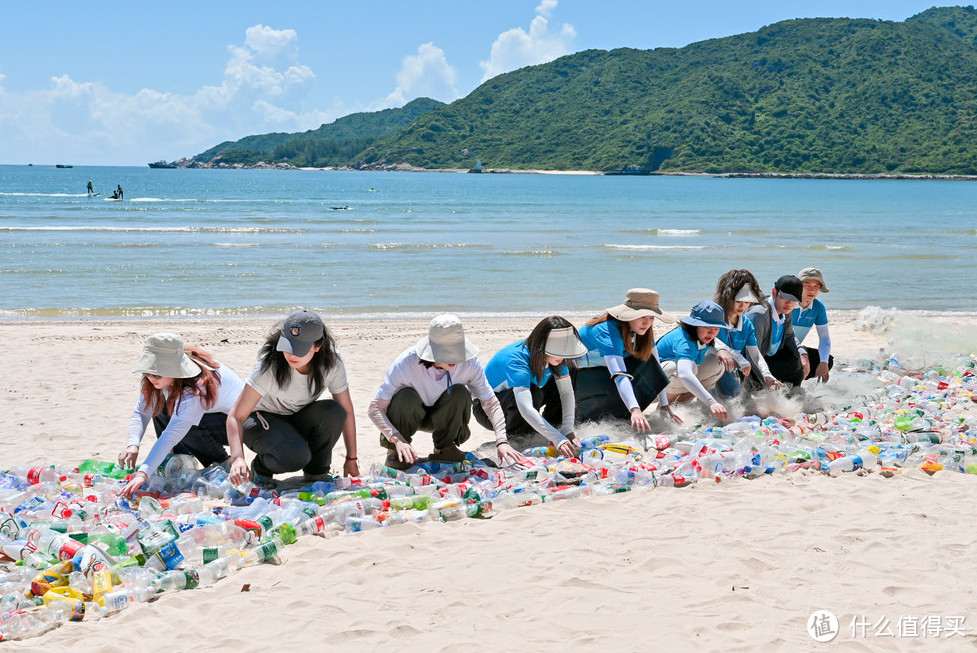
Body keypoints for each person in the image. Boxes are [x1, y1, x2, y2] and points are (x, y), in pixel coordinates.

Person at [368, 314, 523, 470]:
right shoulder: (406, 363)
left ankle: (445, 448)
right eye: (447, 353)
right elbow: (375, 409)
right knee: (406, 396)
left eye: (456, 352)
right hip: (409, 415)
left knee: (460, 392)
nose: (454, 359)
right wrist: (397, 440)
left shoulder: (470, 363)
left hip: (443, 415)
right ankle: (394, 452)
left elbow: (490, 403)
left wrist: (502, 441)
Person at [226, 310, 358, 487]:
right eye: (288, 345)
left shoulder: (331, 362)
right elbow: (235, 416)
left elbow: (347, 410)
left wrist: (351, 457)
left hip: (295, 416)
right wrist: (237, 459)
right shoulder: (270, 364)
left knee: (334, 411)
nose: (291, 354)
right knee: (296, 456)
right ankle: (261, 467)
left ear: (317, 346)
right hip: (260, 420)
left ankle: (316, 472)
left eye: (300, 349)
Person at [119, 334, 244, 497]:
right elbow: (142, 410)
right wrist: (133, 444)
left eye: (157, 374)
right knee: (161, 407)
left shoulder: (197, 386)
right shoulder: (160, 380)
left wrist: (143, 474)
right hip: (211, 415)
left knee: (184, 420)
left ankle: (221, 464)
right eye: (147, 372)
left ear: (175, 370)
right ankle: (182, 462)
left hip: (240, 425)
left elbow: (171, 434)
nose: (151, 378)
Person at [474, 316, 588, 458]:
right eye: (559, 352)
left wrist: (567, 430)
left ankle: (552, 432)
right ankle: (518, 438)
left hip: (519, 400)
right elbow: (525, 408)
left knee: (568, 374)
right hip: (487, 410)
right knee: (533, 391)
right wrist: (559, 439)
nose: (563, 358)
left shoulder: (557, 360)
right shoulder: (517, 360)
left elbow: (566, 393)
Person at [575, 288, 680, 432]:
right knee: (627, 381)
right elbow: (619, 375)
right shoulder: (607, 330)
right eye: (642, 317)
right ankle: (589, 413)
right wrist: (635, 410)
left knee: (648, 363)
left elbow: (656, 368)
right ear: (628, 315)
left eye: (651, 318)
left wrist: (664, 405)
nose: (647, 323)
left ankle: (623, 414)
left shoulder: (641, 330)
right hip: (581, 378)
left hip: (605, 372)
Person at [657, 301, 734, 420]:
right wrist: (711, 402)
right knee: (685, 369)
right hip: (651, 388)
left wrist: (723, 350)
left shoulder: (702, 336)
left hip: (667, 382)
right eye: (707, 327)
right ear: (694, 325)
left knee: (716, 364)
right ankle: (662, 412)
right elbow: (685, 374)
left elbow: (718, 344)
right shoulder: (685, 341)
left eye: (716, 328)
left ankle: (679, 408)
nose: (712, 332)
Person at [713, 269, 781, 397]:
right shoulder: (715, 316)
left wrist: (767, 374)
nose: (743, 307)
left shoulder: (746, 324)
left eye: (747, 302)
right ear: (728, 298)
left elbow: (755, 354)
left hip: (730, 371)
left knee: (741, 400)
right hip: (708, 366)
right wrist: (739, 358)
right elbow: (711, 341)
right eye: (738, 302)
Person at [744, 275, 809, 389]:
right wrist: (766, 379)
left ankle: (791, 394)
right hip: (747, 363)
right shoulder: (759, 314)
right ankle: (759, 389)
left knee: (809, 360)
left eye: (794, 300)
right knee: (794, 369)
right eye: (785, 298)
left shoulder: (786, 310)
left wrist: (803, 354)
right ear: (774, 293)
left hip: (769, 355)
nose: (789, 303)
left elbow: (789, 336)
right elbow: (751, 354)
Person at [792, 267, 834, 382]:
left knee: (827, 360)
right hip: (776, 351)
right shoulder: (788, 303)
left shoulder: (818, 307)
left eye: (817, 286)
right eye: (807, 285)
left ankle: (795, 382)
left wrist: (823, 362)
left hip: (796, 350)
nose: (812, 290)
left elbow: (824, 337)